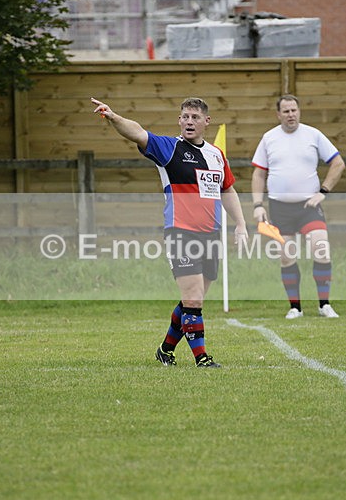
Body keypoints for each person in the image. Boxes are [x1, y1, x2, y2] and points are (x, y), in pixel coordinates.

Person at [90, 96, 247, 367]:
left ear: (206, 122)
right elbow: (138, 132)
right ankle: (202, 359)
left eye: (195, 117)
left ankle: (165, 350)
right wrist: (114, 117)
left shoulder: (216, 155)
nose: (189, 121)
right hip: (181, 232)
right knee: (194, 298)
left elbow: (227, 190)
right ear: (179, 120)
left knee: (192, 301)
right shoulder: (169, 148)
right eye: (184, 116)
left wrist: (241, 225)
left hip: (211, 234)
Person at [250, 94, 346, 319]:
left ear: (299, 111)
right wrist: (257, 205)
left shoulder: (313, 135)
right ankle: (295, 307)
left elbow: (338, 163)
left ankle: (324, 305)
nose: (291, 115)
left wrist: (323, 192)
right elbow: (258, 173)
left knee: (320, 247)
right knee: (286, 256)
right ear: (278, 114)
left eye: (294, 110)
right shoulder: (269, 138)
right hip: (279, 208)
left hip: (308, 207)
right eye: (286, 111)